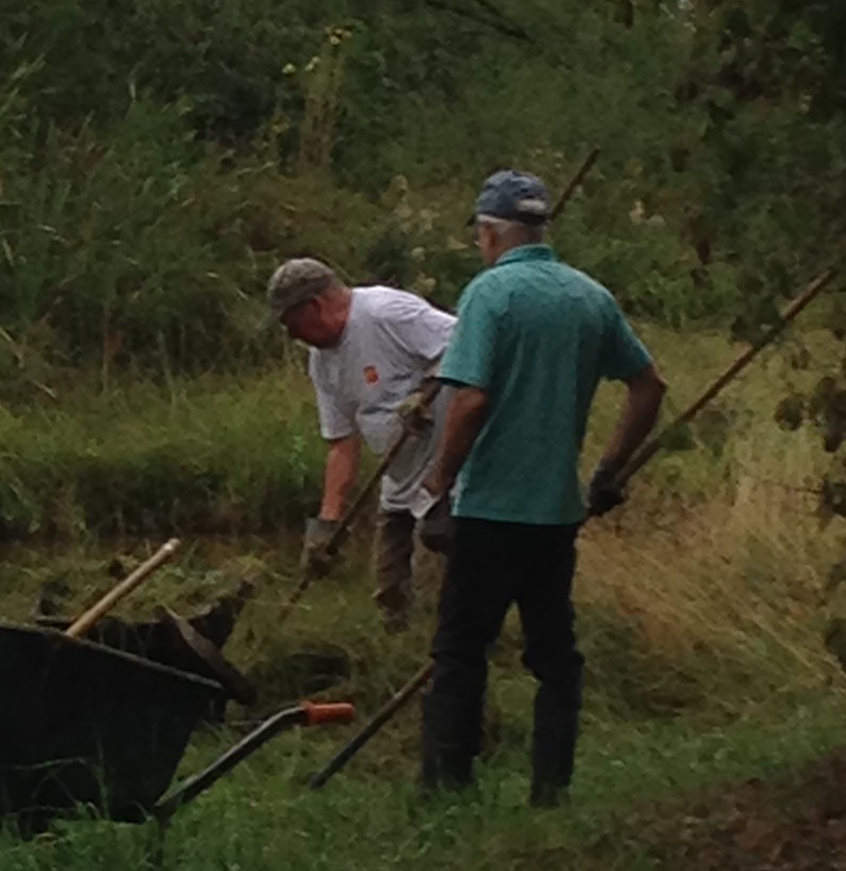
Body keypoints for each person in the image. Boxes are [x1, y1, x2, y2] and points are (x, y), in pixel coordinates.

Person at [418, 171, 665, 806]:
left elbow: (469, 401)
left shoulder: (489, 295)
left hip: (490, 510)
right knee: (555, 658)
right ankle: (550, 791)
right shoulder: (589, 297)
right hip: (555, 515)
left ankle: (448, 787)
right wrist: (608, 472)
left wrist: (438, 488)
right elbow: (648, 388)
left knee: (460, 651)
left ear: (489, 232)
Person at [266, 255, 456, 628]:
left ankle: (450, 651)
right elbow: (341, 442)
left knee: (441, 577)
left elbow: (466, 342)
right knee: (389, 588)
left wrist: (427, 390)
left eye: (291, 323)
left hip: (444, 474)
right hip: (398, 481)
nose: (290, 334)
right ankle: (396, 646)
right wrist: (327, 525)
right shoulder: (321, 361)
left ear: (315, 307)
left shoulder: (386, 313)